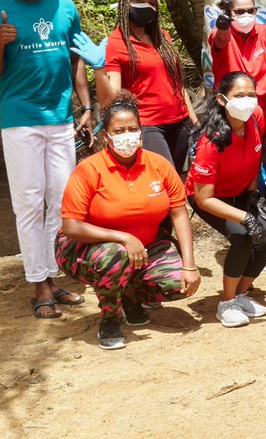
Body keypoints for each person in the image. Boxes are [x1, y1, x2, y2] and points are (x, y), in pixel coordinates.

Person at [0, 0, 93, 319]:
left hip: (60, 119)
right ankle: (38, 284)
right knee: (28, 204)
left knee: (62, 204)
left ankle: (53, 276)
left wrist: (86, 106)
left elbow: (76, 62)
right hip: (20, 121)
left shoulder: (66, 9)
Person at [56, 94, 198, 349]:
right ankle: (109, 319)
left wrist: (190, 265)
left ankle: (130, 294)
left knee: (179, 284)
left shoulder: (159, 165)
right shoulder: (89, 170)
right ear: (105, 135)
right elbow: (71, 226)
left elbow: (178, 212)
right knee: (115, 255)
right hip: (85, 247)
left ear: (141, 131)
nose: (127, 135)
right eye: (118, 130)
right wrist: (124, 237)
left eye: (132, 129)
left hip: (145, 247)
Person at [185, 72, 266, 328]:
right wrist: (244, 217)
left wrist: (253, 197)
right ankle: (226, 302)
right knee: (243, 237)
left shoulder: (256, 119)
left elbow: (253, 160)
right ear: (223, 100)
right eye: (239, 96)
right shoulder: (211, 142)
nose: (247, 101)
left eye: (251, 95)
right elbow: (204, 198)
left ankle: (241, 293)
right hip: (210, 198)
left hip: (241, 193)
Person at [94, 0, 197, 171]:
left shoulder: (162, 37)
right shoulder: (116, 43)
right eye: (141, 1)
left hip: (180, 121)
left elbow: (177, 82)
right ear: (125, 4)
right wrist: (98, 69)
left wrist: (193, 117)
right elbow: (112, 96)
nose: (147, 6)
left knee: (179, 178)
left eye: (152, 2)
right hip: (149, 124)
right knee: (165, 176)